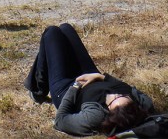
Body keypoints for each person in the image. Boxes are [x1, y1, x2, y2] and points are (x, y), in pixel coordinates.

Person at [24, 23, 155, 137]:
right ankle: (35, 86)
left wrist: (75, 87)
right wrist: (102, 77)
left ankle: (38, 90)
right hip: (93, 76)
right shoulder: (141, 105)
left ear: (110, 110)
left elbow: (61, 121)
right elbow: (133, 92)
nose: (115, 94)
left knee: (51, 33)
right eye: (122, 95)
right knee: (66, 28)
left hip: (66, 88)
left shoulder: (96, 117)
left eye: (114, 98)